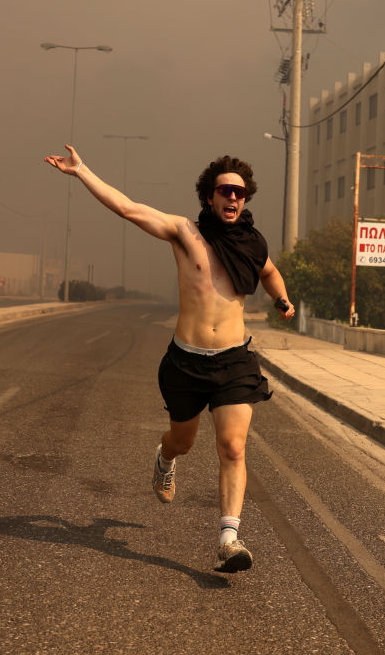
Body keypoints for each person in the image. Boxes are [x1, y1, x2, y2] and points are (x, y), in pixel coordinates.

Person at [44, 145, 295, 573]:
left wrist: (282, 299)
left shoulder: (252, 244)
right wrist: (82, 170)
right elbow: (126, 208)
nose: (232, 198)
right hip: (186, 363)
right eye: (224, 191)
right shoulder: (183, 232)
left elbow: (269, 273)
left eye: (239, 192)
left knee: (233, 446)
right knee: (183, 441)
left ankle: (228, 540)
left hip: (234, 361)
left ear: (246, 198)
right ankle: (164, 458)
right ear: (210, 196)